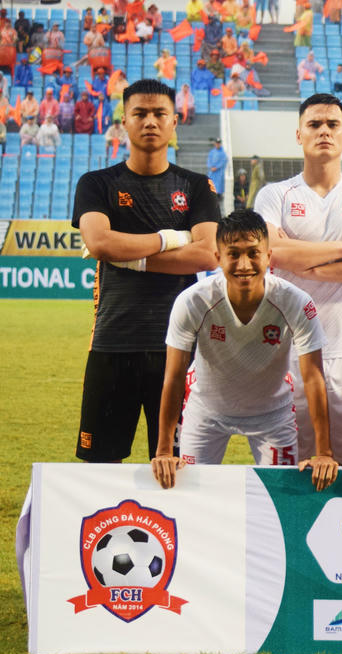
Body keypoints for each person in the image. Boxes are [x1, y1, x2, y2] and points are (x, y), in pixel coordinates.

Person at [73, 78, 221, 463]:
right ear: (124, 121)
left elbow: (208, 254)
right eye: (140, 113)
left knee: (181, 468)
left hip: (179, 348)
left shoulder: (196, 186)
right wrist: (170, 239)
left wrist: (130, 256)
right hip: (111, 343)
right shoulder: (96, 184)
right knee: (100, 467)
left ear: (175, 121)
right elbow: (99, 243)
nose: (150, 121)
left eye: (159, 113)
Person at [252, 93, 342, 466]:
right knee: (286, 470)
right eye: (314, 124)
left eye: (333, 124)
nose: (324, 131)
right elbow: (271, 252)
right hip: (287, 352)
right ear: (298, 134)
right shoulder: (274, 195)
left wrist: (308, 265)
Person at [150, 209, 337, 490]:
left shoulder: (296, 301)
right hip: (206, 412)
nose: (244, 264)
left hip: (273, 414)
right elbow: (174, 377)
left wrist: (324, 453)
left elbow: (313, 378)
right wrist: (164, 450)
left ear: (268, 256)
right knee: (191, 493)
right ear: (218, 258)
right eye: (234, 254)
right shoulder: (192, 301)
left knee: (280, 495)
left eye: (253, 253)